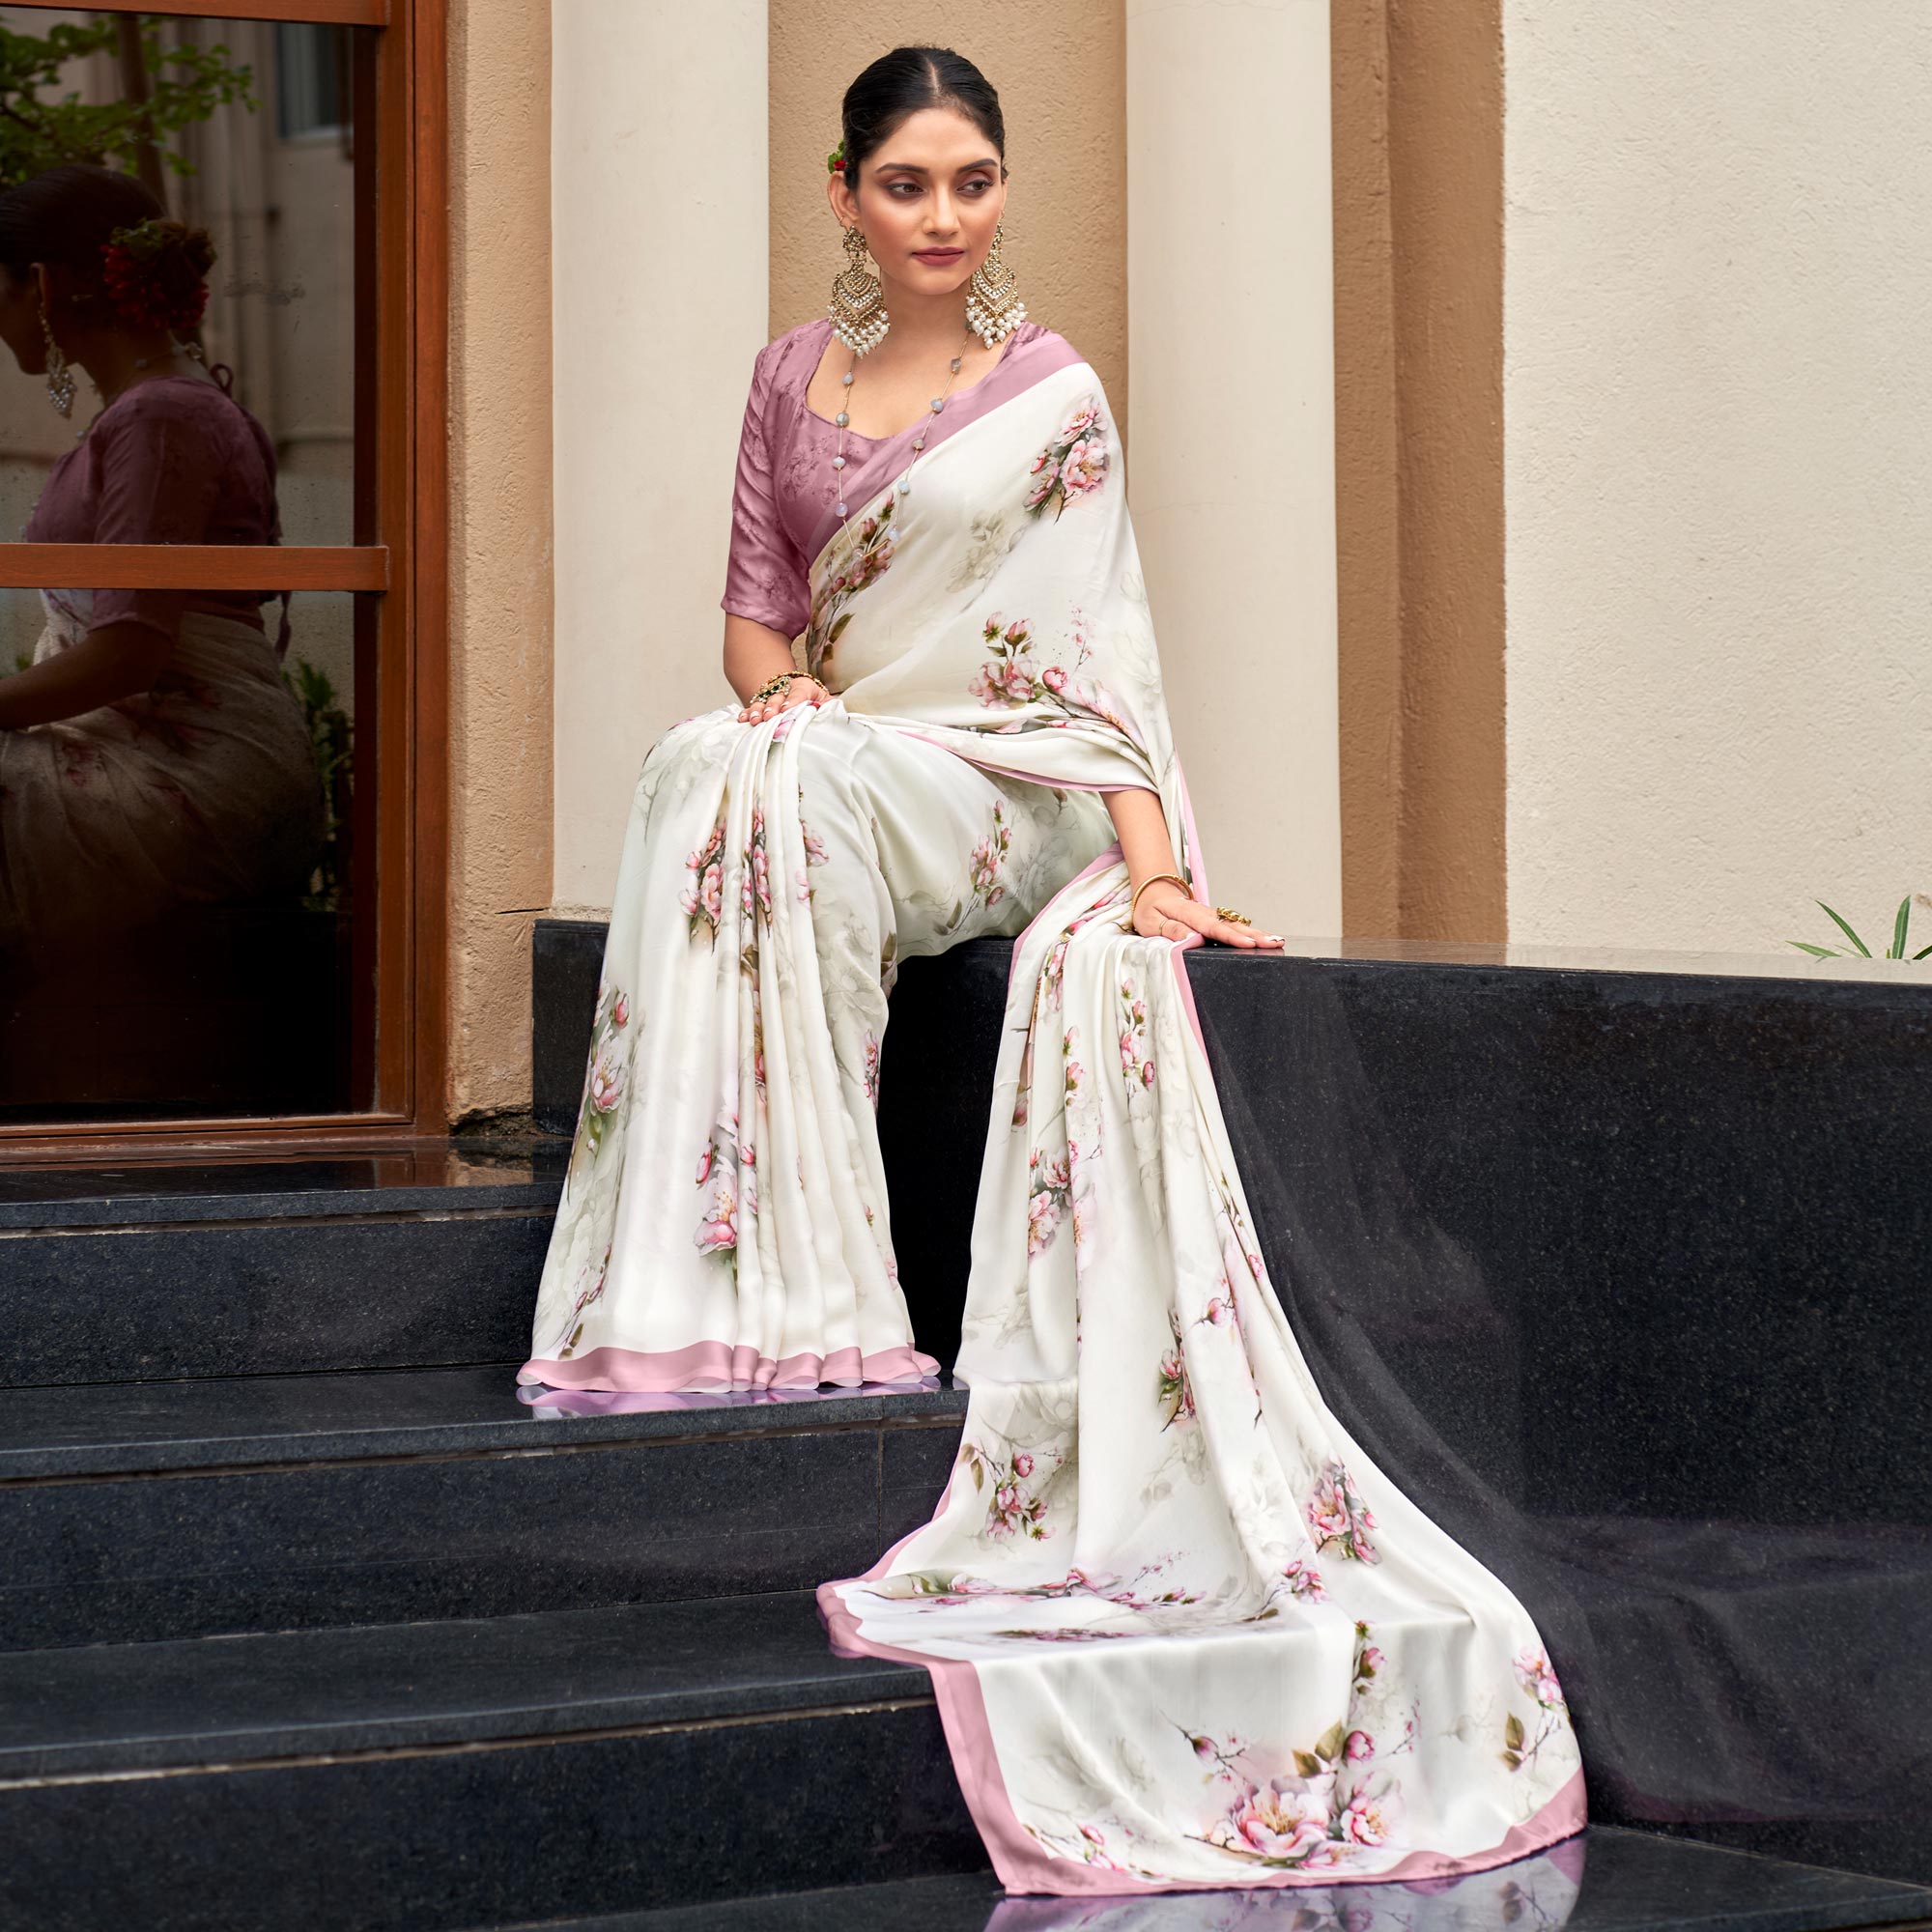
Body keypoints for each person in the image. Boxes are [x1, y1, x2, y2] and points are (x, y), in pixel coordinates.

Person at [524, 46, 1585, 1895]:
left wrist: (1156, 867)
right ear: (847, 194)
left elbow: (1096, 648)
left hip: (1012, 785)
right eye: (908, 185)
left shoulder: (1051, 397)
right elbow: (757, 613)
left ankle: (817, 1299)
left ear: (998, 193)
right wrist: (780, 712)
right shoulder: (794, 372)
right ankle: (724, 1309)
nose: (944, 218)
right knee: (715, 756)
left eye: (974, 183)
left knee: (775, 777)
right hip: (853, 757)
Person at [0, 164, 321, 948]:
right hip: (168, 760)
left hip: (195, 781)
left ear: (42, 284)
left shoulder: (161, 418)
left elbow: (129, 654)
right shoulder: (167, 407)